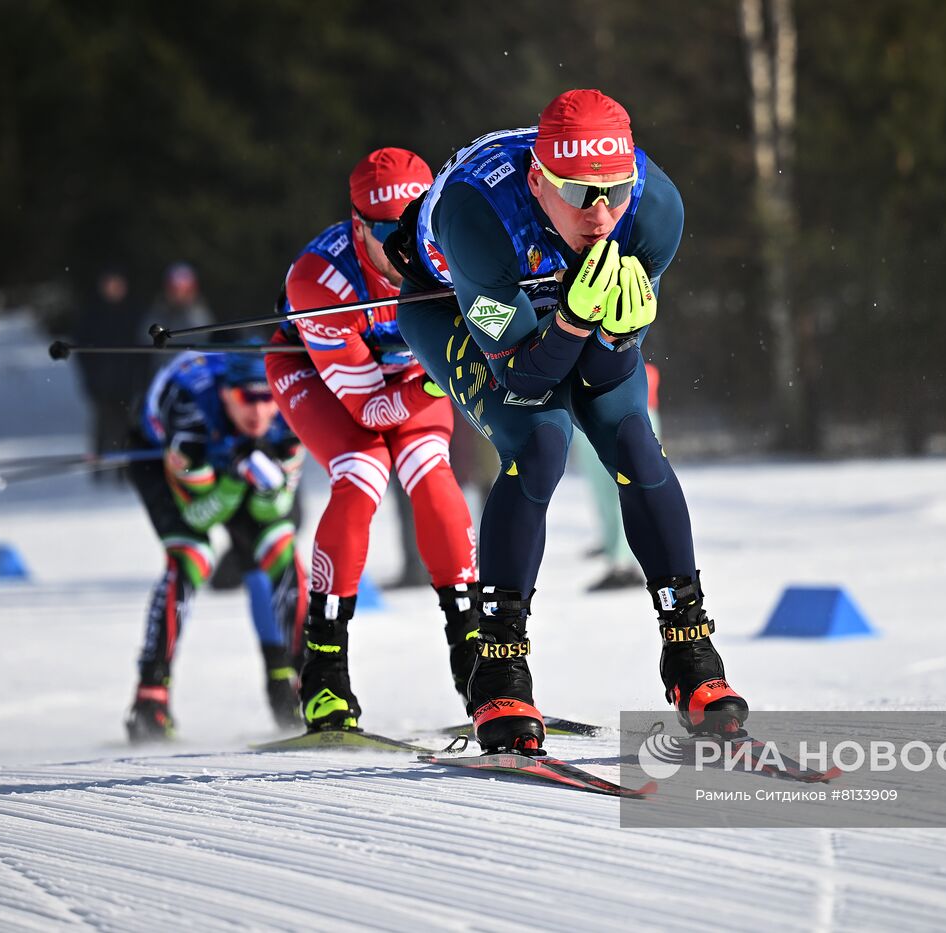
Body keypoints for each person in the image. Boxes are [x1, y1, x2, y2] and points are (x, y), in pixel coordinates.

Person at [387, 89, 748, 752]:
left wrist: (615, 338)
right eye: (581, 194)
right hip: (454, 302)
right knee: (540, 442)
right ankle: (499, 665)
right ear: (537, 182)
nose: (602, 213)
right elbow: (523, 379)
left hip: (556, 302)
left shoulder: (654, 210)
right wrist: (578, 321)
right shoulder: (480, 215)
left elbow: (604, 383)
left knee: (635, 443)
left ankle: (691, 655)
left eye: (615, 190)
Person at [264, 147, 481, 732]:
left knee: (430, 470)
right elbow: (372, 409)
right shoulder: (320, 279)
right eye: (388, 233)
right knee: (361, 475)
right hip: (319, 375)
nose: (405, 245)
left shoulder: (457, 241)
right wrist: (446, 378)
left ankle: (476, 660)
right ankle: (324, 673)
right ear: (359, 225)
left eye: (419, 224)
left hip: (411, 375)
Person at [125, 351, 308, 742]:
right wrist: (233, 476)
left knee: (278, 549)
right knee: (191, 558)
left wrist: (266, 480)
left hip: (229, 468)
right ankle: (150, 698)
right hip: (158, 457)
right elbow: (199, 516)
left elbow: (275, 508)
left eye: (266, 398)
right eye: (247, 398)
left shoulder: (291, 413)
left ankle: (300, 684)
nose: (259, 412)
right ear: (226, 394)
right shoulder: (190, 415)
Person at [572, 361, 661, 591]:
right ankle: (616, 550)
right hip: (591, 413)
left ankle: (624, 563)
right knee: (604, 492)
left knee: (621, 491)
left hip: (617, 412)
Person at [73, 266, 143, 482]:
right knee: (102, 427)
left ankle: (124, 472)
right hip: (101, 383)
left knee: (126, 428)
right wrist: (92, 378)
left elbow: (140, 351)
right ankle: (99, 472)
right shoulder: (93, 315)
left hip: (126, 383)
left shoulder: (133, 314)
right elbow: (82, 350)